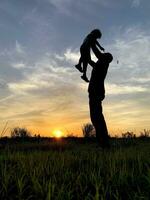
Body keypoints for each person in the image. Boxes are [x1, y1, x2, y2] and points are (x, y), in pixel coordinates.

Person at [88, 52, 113, 148]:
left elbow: (97, 53)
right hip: (95, 93)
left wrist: (92, 41)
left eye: (103, 55)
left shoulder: (103, 64)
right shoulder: (99, 65)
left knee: (97, 118)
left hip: (96, 93)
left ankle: (104, 144)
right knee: (96, 118)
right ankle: (102, 143)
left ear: (105, 58)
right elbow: (91, 61)